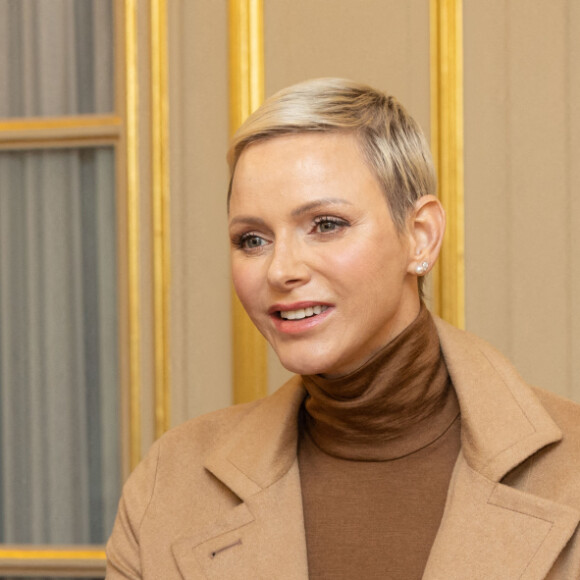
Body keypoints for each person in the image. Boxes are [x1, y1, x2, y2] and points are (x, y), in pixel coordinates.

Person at [106, 78, 580, 579]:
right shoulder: (171, 484)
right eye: (252, 239)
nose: (280, 270)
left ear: (421, 237)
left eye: (326, 224)